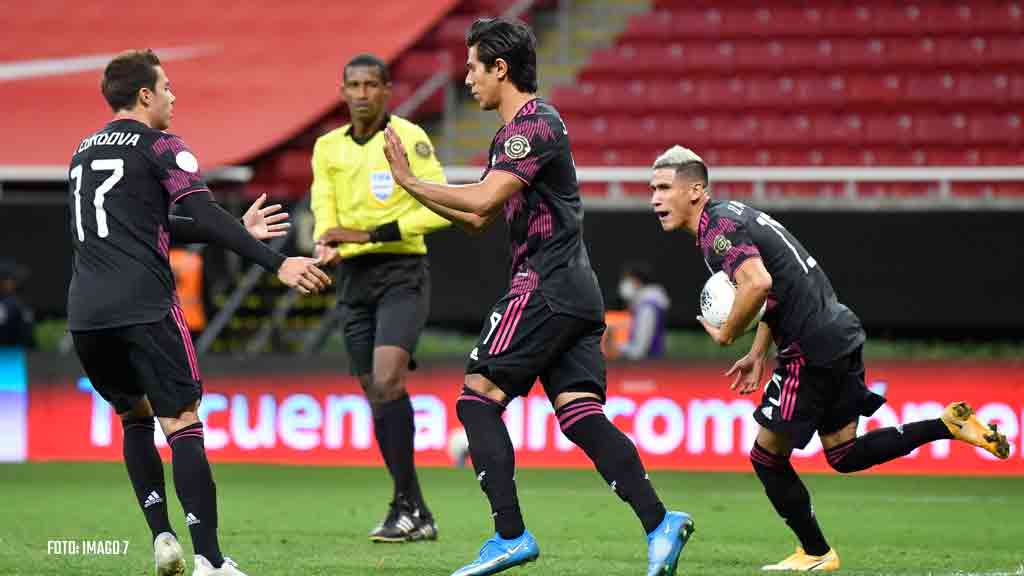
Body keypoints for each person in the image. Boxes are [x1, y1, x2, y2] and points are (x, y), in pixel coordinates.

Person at [382, 18, 694, 576]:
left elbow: (480, 203)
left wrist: (409, 183)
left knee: (477, 398)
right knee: (580, 416)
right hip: (576, 291)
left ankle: (509, 534)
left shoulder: (531, 125)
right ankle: (659, 523)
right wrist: (427, 197)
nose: (469, 79)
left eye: (475, 67)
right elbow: (478, 219)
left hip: (544, 284)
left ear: (500, 69)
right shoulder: (515, 136)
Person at [648, 145, 1010, 572]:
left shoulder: (717, 230)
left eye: (664, 188)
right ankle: (947, 424)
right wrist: (757, 351)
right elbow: (775, 289)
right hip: (837, 330)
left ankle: (817, 552)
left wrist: (727, 334)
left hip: (810, 347)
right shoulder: (733, 216)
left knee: (766, 457)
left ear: (695, 190)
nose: (654, 198)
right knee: (843, 453)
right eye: (652, 188)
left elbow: (758, 284)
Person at [67, 49, 331, 576]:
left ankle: (163, 535)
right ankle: (211, 560)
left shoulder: (83, 151)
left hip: (86, 314)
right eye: (165, 87)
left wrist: (234, 230)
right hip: (144, 304)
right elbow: (204, 211)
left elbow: (148, 222)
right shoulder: (162, 145)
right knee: (182, 422)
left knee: (134, 417)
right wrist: (274, 262)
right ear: (145, 95)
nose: (172, 96)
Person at [310, 52, 450, 543]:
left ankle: (404, 506)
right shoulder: (327, 147)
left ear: (388, 90)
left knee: (389, 379)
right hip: (353, 279)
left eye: (372, 85)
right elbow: (323, 209)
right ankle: (414, 508)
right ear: (343, 90)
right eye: (354, 85)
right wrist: (325, 241)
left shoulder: (408, 138)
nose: (363, 93)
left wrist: (368, 233)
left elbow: (438, 208)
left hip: (401, 271)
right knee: (376, 392)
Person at [616, 262, 670, 360]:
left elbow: (639, 351)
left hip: (649, 367)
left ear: (636, 281)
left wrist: (616, 349)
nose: (623, 284)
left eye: (627, 280)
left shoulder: (647, 308)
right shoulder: (646, 305)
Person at [0, 259, 35, 348]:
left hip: (16, 354)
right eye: (12, 278)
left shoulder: (17, 303)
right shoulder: (11, 304)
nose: (16, 282)